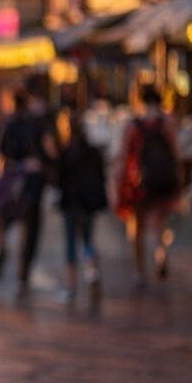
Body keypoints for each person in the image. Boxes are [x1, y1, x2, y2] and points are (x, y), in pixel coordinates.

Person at [115, 86, 182, 286]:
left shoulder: (132, 125)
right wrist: (180, 180)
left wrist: (118, 182)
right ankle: (160, 253)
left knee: (136, 227)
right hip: (163, 181)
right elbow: (176, 154)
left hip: (138, 183)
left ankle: (139, 271)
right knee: (160, 223)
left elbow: (123, 157)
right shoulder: (166, 123)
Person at [0, 85, 56, 296]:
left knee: (5, 220)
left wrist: (15, 166)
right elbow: (51, 152)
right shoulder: (38, 123)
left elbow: (0, 160)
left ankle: (4, 251)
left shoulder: (9, 125)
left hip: (13, 184)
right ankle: (24, 268)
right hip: (33, 183)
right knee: (31, 228)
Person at [55, 109, 107, 304]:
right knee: (88, 241)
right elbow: (101, 177)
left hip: (71, 203)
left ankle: (70, 286)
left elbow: (59, 180)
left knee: (70, 244)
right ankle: (92, 274)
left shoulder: (66, 152)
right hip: (89, 203)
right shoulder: (92, 151)